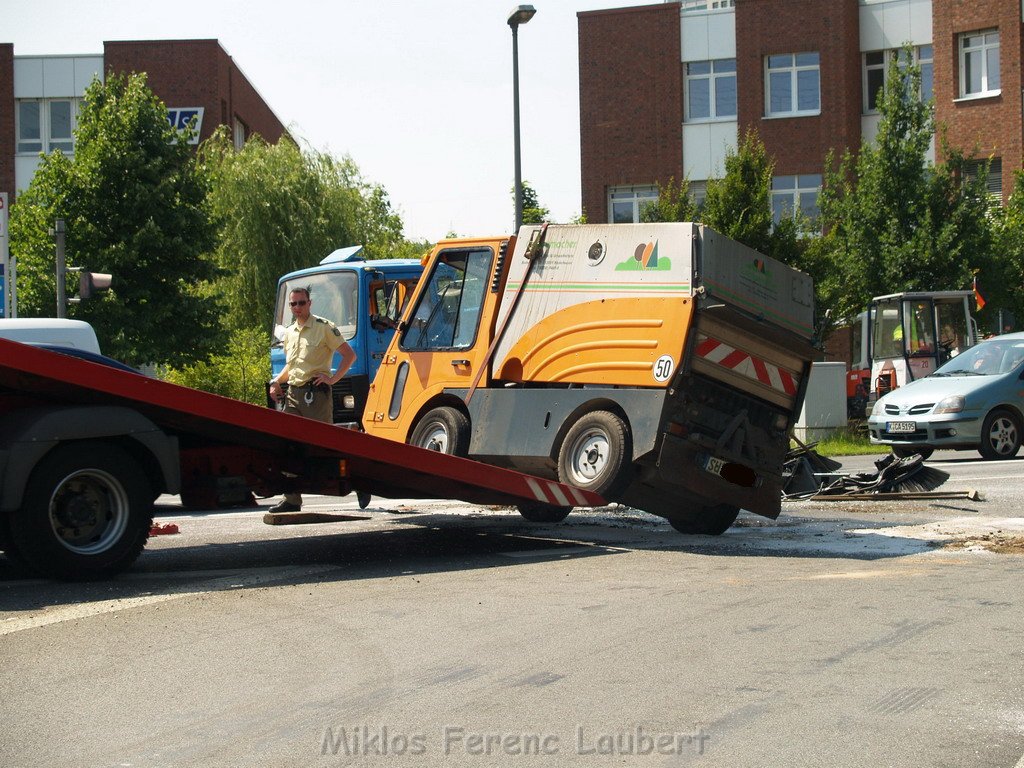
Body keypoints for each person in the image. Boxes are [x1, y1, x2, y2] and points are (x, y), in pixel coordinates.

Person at [267, 287, 357, 513]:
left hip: (315, 395)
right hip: (293, 395)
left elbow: (349, 355)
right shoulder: (290, 333)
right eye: (293, 304)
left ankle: (358, 478)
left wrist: (333, 379)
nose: (297, 308)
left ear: (310, 303)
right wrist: (276, 381)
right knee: (286, 445)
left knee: (323, 447)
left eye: (301, 303)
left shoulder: (324, 328)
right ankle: (291, 499)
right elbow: (292, 366)